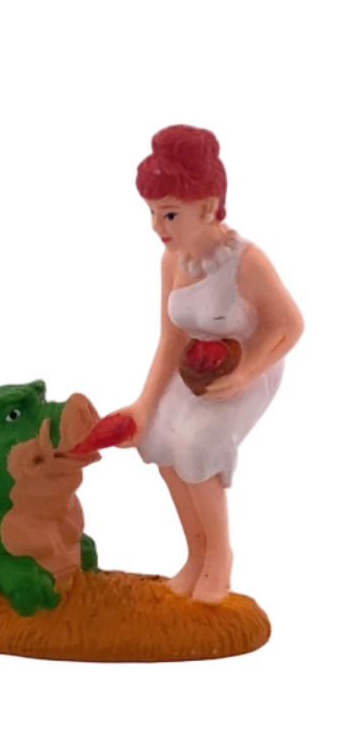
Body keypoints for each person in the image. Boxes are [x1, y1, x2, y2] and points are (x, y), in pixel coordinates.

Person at [116, 125, 304, 604]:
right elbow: (170, 339)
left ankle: (219, 557)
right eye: (152, 213)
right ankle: (195, 553)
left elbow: (290, 325)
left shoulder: (246, 262)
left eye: (169, 214)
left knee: (198, 445)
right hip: (193, 367)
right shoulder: (172, 261)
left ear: (207, 206)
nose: (157, 227)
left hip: (249, 366)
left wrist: (245, 374)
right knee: (158, 439)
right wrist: (143, 405)